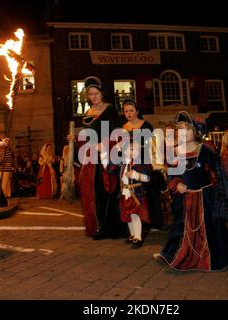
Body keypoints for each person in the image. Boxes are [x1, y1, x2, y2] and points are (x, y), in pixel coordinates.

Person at [154, 111, 228, 271]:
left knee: (211, 227)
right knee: (180, 225)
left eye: (187, 129)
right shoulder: (175, 152)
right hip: (185, 198)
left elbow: (219, 168)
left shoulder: (203, 149)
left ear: (196, 132)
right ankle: (172, 253)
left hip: (205, 196)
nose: (183, 133)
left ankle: (216, 258)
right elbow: (172, 174)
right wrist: (176, 183)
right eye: (180, 129)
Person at [68, 76, 127, 239]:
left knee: (109, 191)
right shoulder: (87, 113)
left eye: (96, 93)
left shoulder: (110, 109)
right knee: (94, 192)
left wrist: (105, 144)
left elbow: (119, 132)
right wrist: (76, 139)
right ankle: (99, 226)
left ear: (102, 94)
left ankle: (112, 227)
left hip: (108, 156)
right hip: (92, 158)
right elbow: (88, 137)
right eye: (90, 94)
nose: (93, 97)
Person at [122, 98, 165, 236]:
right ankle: (140, 224)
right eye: (126, 111)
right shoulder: (124, 127)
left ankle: (155, 223)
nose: (129, 113)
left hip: (145, 161)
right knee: (135, 194)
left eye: (131, 111)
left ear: (137, 112)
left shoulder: (146, 125)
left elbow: (153, 144)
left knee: (150, 192)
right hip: (131, 162)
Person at [111, 140, 151, 249]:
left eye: (137, 149)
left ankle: (138, 237)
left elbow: (148, 178)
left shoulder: (141, 163)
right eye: (132, 149)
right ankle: (132, 235)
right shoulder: (123, 163)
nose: (135, 151)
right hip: (125, 193)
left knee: (135, 215)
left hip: (136, 194)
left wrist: (136, 175)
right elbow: (110, 168)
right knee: (127, 215)